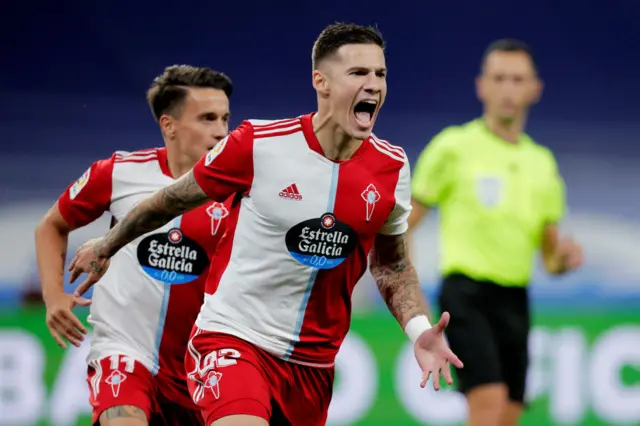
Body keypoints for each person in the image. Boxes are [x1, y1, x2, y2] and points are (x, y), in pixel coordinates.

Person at [68, 23, 464, 426]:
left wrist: (419, 330)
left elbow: (392, 265)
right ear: (321, 82)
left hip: (313, 367)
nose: (374, 84)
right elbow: (171, 198)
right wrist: (107, 244)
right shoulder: (258, 144)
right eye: (358, 73)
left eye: (380, 74)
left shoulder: (391, 166)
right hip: (234, 339)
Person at [35, 65, 234, 426]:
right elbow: (52, 225)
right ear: (168, 125)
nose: (221, 131)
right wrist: (53, 295)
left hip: (202, 366)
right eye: (207, 118)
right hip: (125, 354)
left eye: (224, 118)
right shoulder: (119, 172)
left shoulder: (241, 191)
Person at [407, 39, 584, 426]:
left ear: (534, 89)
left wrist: (565, 260)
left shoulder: (542, 164)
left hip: (515, 301)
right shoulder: (453, 147)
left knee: (508, 414)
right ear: (481, 86)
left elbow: (549, 258)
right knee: (488, 404)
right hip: (465, 294)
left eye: (517, 79)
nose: (508, 89)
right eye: (499, 78)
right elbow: (403, 228)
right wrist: (410, 292)